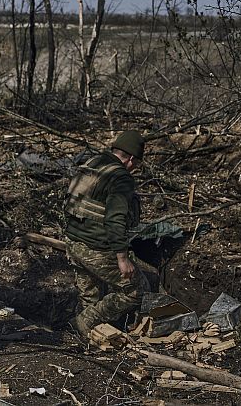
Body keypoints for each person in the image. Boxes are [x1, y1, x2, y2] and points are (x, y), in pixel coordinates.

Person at [62, 130, 148, 335]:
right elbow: (115, 218)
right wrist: (122, 257)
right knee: (136, 290)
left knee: (90, 296)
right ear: (132, 159)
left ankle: (83, 339)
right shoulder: (120, 177)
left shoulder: (93, 163)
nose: (135, 169)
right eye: (137, 165)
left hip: (73, 242)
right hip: (95, 247)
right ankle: (83, 324)